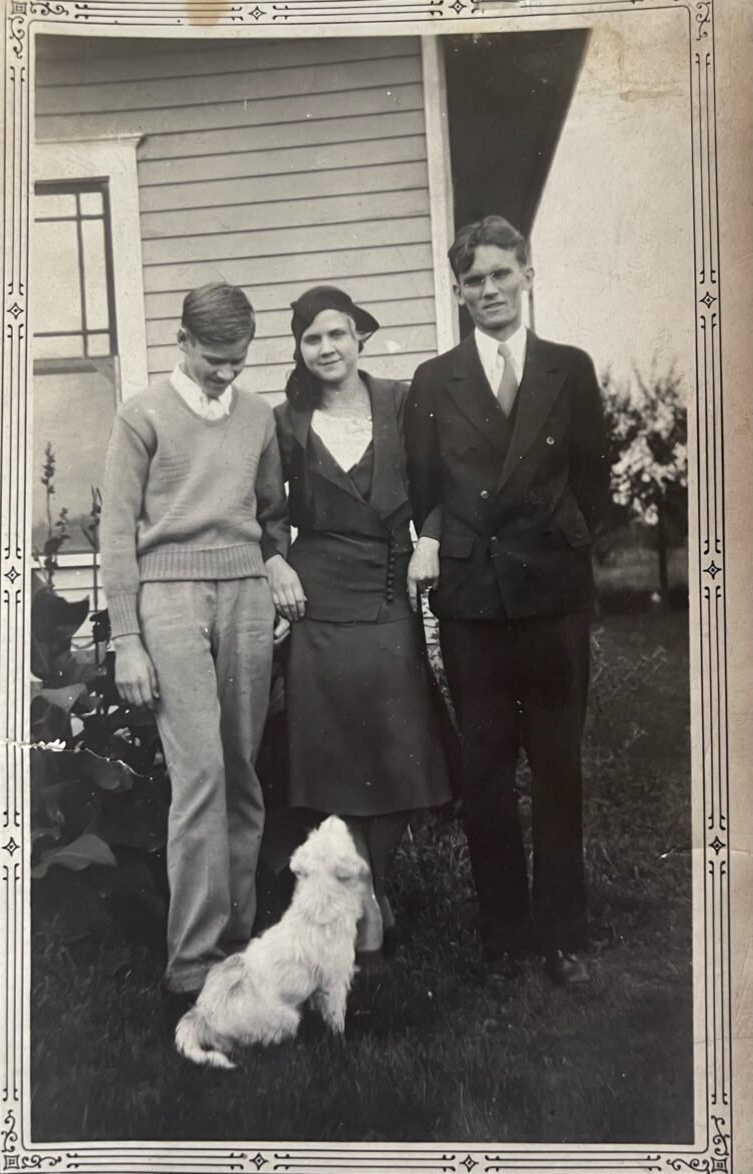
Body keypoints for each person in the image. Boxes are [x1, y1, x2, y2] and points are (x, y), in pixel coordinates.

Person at [404, 216, 610, 985]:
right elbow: (425, 487)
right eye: (474, 280)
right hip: (474, 601)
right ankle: (505, 937)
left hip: (553, 594)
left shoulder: (568, 368)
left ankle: (562, 930)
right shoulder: (436, 379)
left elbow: (595, 476)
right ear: (458, 291)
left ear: (527, 273)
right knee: (486, 769)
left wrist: (563, 539)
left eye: (501, 273)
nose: (489, 289)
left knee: (557, 762)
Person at [100, 282, 302, 1002]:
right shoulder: (142, 415)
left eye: (238, 360)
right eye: (215, 357)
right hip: (169, 601)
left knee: (241, 770)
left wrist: (273, 567)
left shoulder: (257, 418)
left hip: (245, 597)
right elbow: (116, 533)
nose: (226, 371)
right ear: (182, 340)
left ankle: (237, 950)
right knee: (200, 775)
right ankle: (191, 962)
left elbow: (271, 517)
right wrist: (127, 637)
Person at [273, 285, 452, 958]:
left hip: (388, 586)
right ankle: (368, 895)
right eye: (313, 338)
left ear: (360, 339)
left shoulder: (401, 402)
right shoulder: (284, 420)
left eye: (338, 334)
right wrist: (274, 562)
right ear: (300, 348)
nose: (327, 349)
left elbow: (441, 483)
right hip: (316, 595)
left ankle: (371, 884)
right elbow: (264, 511)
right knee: (335, 752)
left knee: (399, 746)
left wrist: (429, 540)